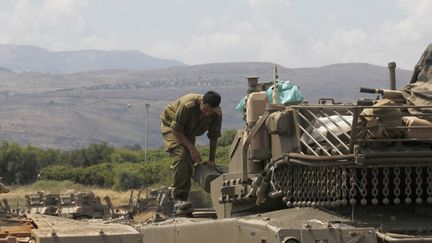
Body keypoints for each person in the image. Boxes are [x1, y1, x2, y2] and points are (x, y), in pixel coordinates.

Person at [160, 91, 222, 212]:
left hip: (189, 130)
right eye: (205, 110)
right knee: (182, 155)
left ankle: (183, 198)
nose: (207, 114)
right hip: (171, 126)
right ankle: (178, 198)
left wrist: (211, 159)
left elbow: (214, 136)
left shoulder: (216, 114)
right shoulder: (188, 104)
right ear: (202, 101)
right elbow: (176, 129)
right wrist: (192, 148)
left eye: (210, 112)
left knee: (188, 159)